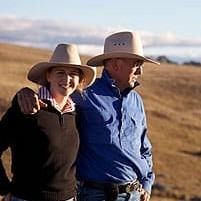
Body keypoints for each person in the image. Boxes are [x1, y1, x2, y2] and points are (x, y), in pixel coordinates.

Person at [16, 31, 160, 201]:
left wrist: (147, 183)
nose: (141, 71)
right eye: (137, 64)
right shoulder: (84, 95)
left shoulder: (136, 101)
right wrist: (25, 93)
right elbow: (54, 98)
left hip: (135, 194)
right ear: (115, 64)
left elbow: (144, 146)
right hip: (96, 195)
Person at [0, 44, 96, 201]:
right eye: (60, 73)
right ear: (48, 76)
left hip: (69, 198)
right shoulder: (26, 107)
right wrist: (4, 188)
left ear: (79, 80)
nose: (67, 79)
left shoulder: (76, 114)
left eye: (73, 74)